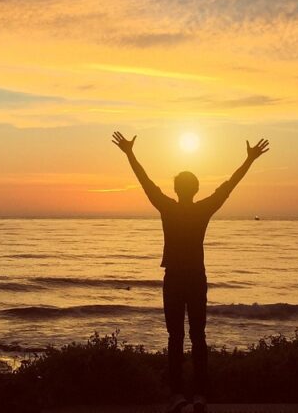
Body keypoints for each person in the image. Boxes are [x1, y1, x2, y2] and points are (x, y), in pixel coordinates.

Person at [111, 131, 269, 413]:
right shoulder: (203, 209)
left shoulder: (168, 207)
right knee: (198, 336)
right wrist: (249, 160)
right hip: (195, 277)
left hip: (175, 278)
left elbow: (145, 182)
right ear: (195, 189)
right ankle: (198, 394)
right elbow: (228, 186)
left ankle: (178, 395)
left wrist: (130, 154)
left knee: (176, 337)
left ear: (177, 190)